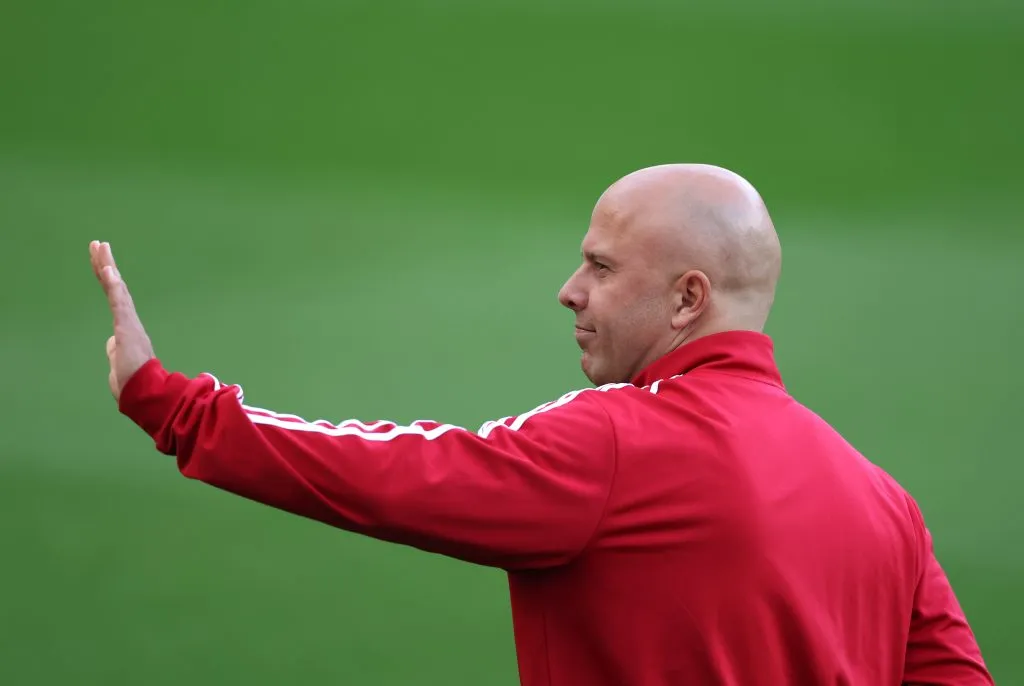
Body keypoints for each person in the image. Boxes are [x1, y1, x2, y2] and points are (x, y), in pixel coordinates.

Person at [89, 163, 993, 685]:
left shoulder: (618, 446)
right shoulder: (886, 507)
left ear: (689, 299)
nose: (570, 289)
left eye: (601, 266)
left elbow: (400, 474)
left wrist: (171, 403)